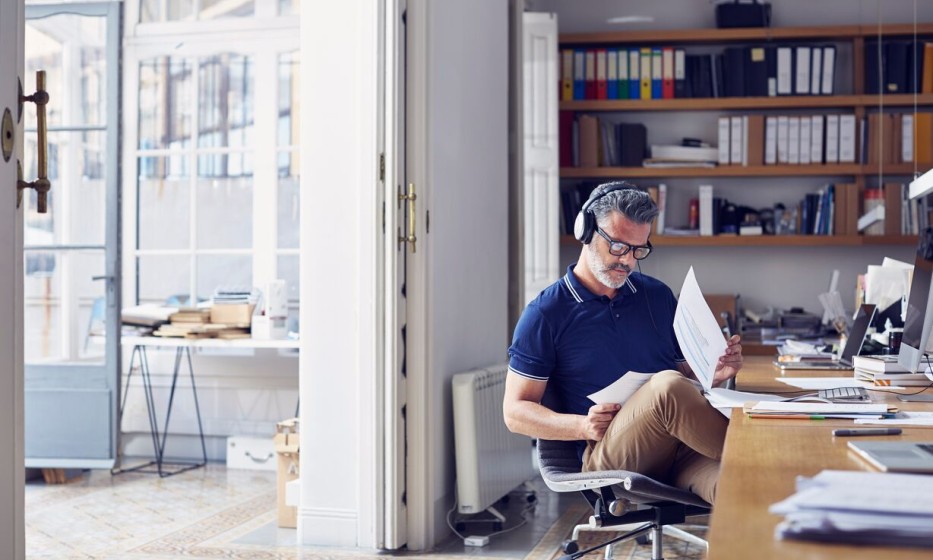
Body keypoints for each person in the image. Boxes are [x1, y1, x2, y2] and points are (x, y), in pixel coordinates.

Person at [502, 181, 742, 504]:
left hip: (680, 451)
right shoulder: (545, 314)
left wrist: (712, 371)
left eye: (638, 250)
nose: (627, 261)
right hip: (613, 460)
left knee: (745, 487)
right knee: (666, 387)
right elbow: (514, 412)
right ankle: (760, 450)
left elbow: (684, 376)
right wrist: (583, 426)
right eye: (618, 246)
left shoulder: (656, 297)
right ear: (586, 230)